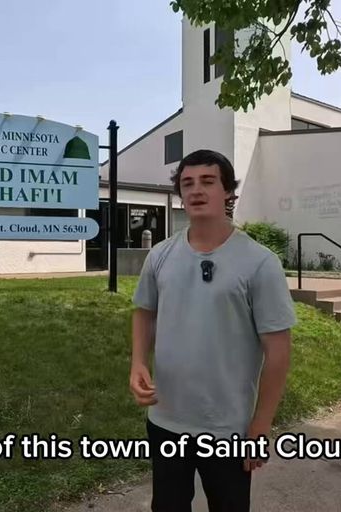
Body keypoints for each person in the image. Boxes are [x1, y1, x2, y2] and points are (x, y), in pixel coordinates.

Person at [130, 149, 297, 512]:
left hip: (228, 428)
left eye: (208, 181)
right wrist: (138, 362)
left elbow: (278, 352)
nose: (196, 190)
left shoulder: (260, 263)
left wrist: (261, 425)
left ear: (228, 192)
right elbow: (144, 311)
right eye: (187, 183)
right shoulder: (160, 255)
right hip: (166, 420)